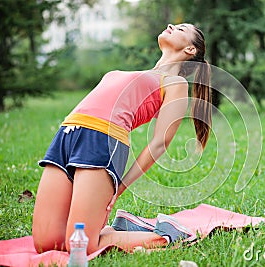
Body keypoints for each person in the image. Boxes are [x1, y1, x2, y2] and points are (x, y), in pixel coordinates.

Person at [32, 23, 212, 254]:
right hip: (67, 134)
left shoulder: (176, 83)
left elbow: (160, 143)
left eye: (180, 28)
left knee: (82, 246)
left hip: (102, 141)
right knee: (47, 244)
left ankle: (171, 235)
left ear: (190, 49)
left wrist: (121, 187)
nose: (170, 25)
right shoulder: (141, 73)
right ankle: (126, 227)